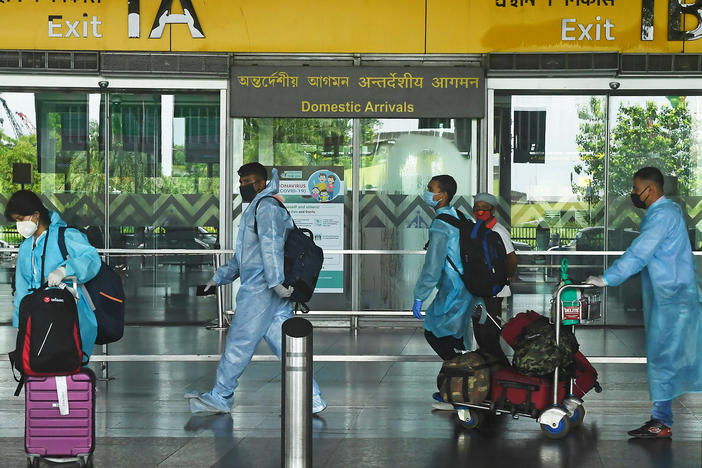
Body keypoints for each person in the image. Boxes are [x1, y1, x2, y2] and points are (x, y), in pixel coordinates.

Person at [185, 163, 327, 414]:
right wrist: (219, 278)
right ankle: (313, 398)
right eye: (240, 182)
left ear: (261, 183)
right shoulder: (258, 208)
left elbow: (271, 248)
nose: (243, 186)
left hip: (261, 290)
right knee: (286, 348)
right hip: (270, 290)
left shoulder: (267, 208)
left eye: (247, 181)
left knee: (239, 342)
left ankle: (221, 395)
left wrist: (275, 283)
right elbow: (245, 257)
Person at [585, 167, 702, 439]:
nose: (635, 194)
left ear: (650, 189)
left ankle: (661, 421)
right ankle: (661, 420)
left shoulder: (662, 216)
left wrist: (606, 279)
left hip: (674, 301)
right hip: (672, 299)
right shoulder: (666, 213)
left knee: (665, 359)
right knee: (671, 360)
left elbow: (639, 253)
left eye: (637, 189)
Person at [5, 190, 102, 358]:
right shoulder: (26, 247)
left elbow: (92, 259)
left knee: (68, 363)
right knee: (40, 366)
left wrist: (65, 270)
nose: (18, 225)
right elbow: (22, 288)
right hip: (37, 318)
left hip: (67, 315)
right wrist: (21, 322)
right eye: (16, 221)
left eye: (20, 219)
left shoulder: (66, 236)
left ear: (35, 215)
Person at [411, 175, 477, 410]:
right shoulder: (460, 217)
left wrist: (420, 295)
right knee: (455, 339)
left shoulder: (440, 224)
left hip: (453, 292)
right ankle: (451, 391)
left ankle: (464, 390)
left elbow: (433, 265)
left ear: (443, 195)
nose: (427, 192)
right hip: (467, 289)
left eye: (431, 189)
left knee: (435, 334)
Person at [471, 193, 517, 364]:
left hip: (494, 292)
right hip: (477, 291)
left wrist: (507, 277)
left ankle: (503, 373)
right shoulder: (475, 229)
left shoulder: (498, 231)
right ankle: (488, 376)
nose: (480, 212)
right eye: (477, 209)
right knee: (480, 333)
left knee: (489, 336)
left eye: (484, 209)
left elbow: (512, 259)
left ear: (493, 210)